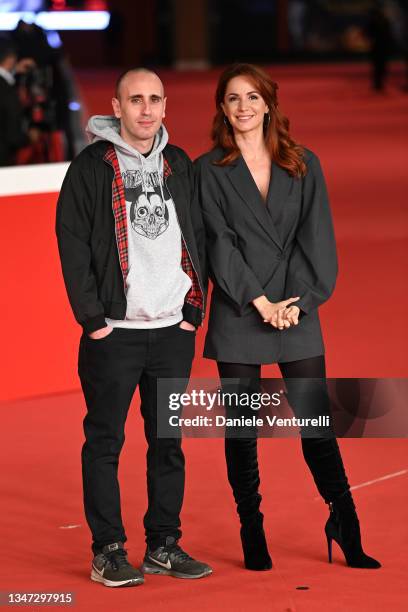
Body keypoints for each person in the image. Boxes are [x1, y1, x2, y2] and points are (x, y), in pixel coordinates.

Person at [195, 63, 381, 571]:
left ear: (269, 104)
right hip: (240, 310)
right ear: (222, 108)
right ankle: (251, 529)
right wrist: (259, 301)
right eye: (233, 98)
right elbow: (220, 244)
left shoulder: (303, 165)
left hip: (297, 309)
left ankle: (345, 521)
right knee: (243, 431)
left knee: (316, 423)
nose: (243, 108)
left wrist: (297, 301)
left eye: (253, 97)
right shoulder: (207, 170)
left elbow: (315, 238)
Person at [56, 68, 211, 587]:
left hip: (171, 332)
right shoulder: (90, 168)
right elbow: (72, 243)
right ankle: (108, 549)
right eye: (135, 100)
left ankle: (164, 543)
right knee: (105, 442)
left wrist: (194, 308)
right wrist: (92, 320)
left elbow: (199, 236)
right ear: (116, 107)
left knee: (167, 441)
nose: (145, 109)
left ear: (165, 106)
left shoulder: (179, 164)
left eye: (154, 100)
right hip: (114, 335)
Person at [0, 37, 35, 166]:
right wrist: (28, 138)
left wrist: (13, 71)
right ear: (10, 59)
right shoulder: (7, 91)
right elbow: (12, 131)